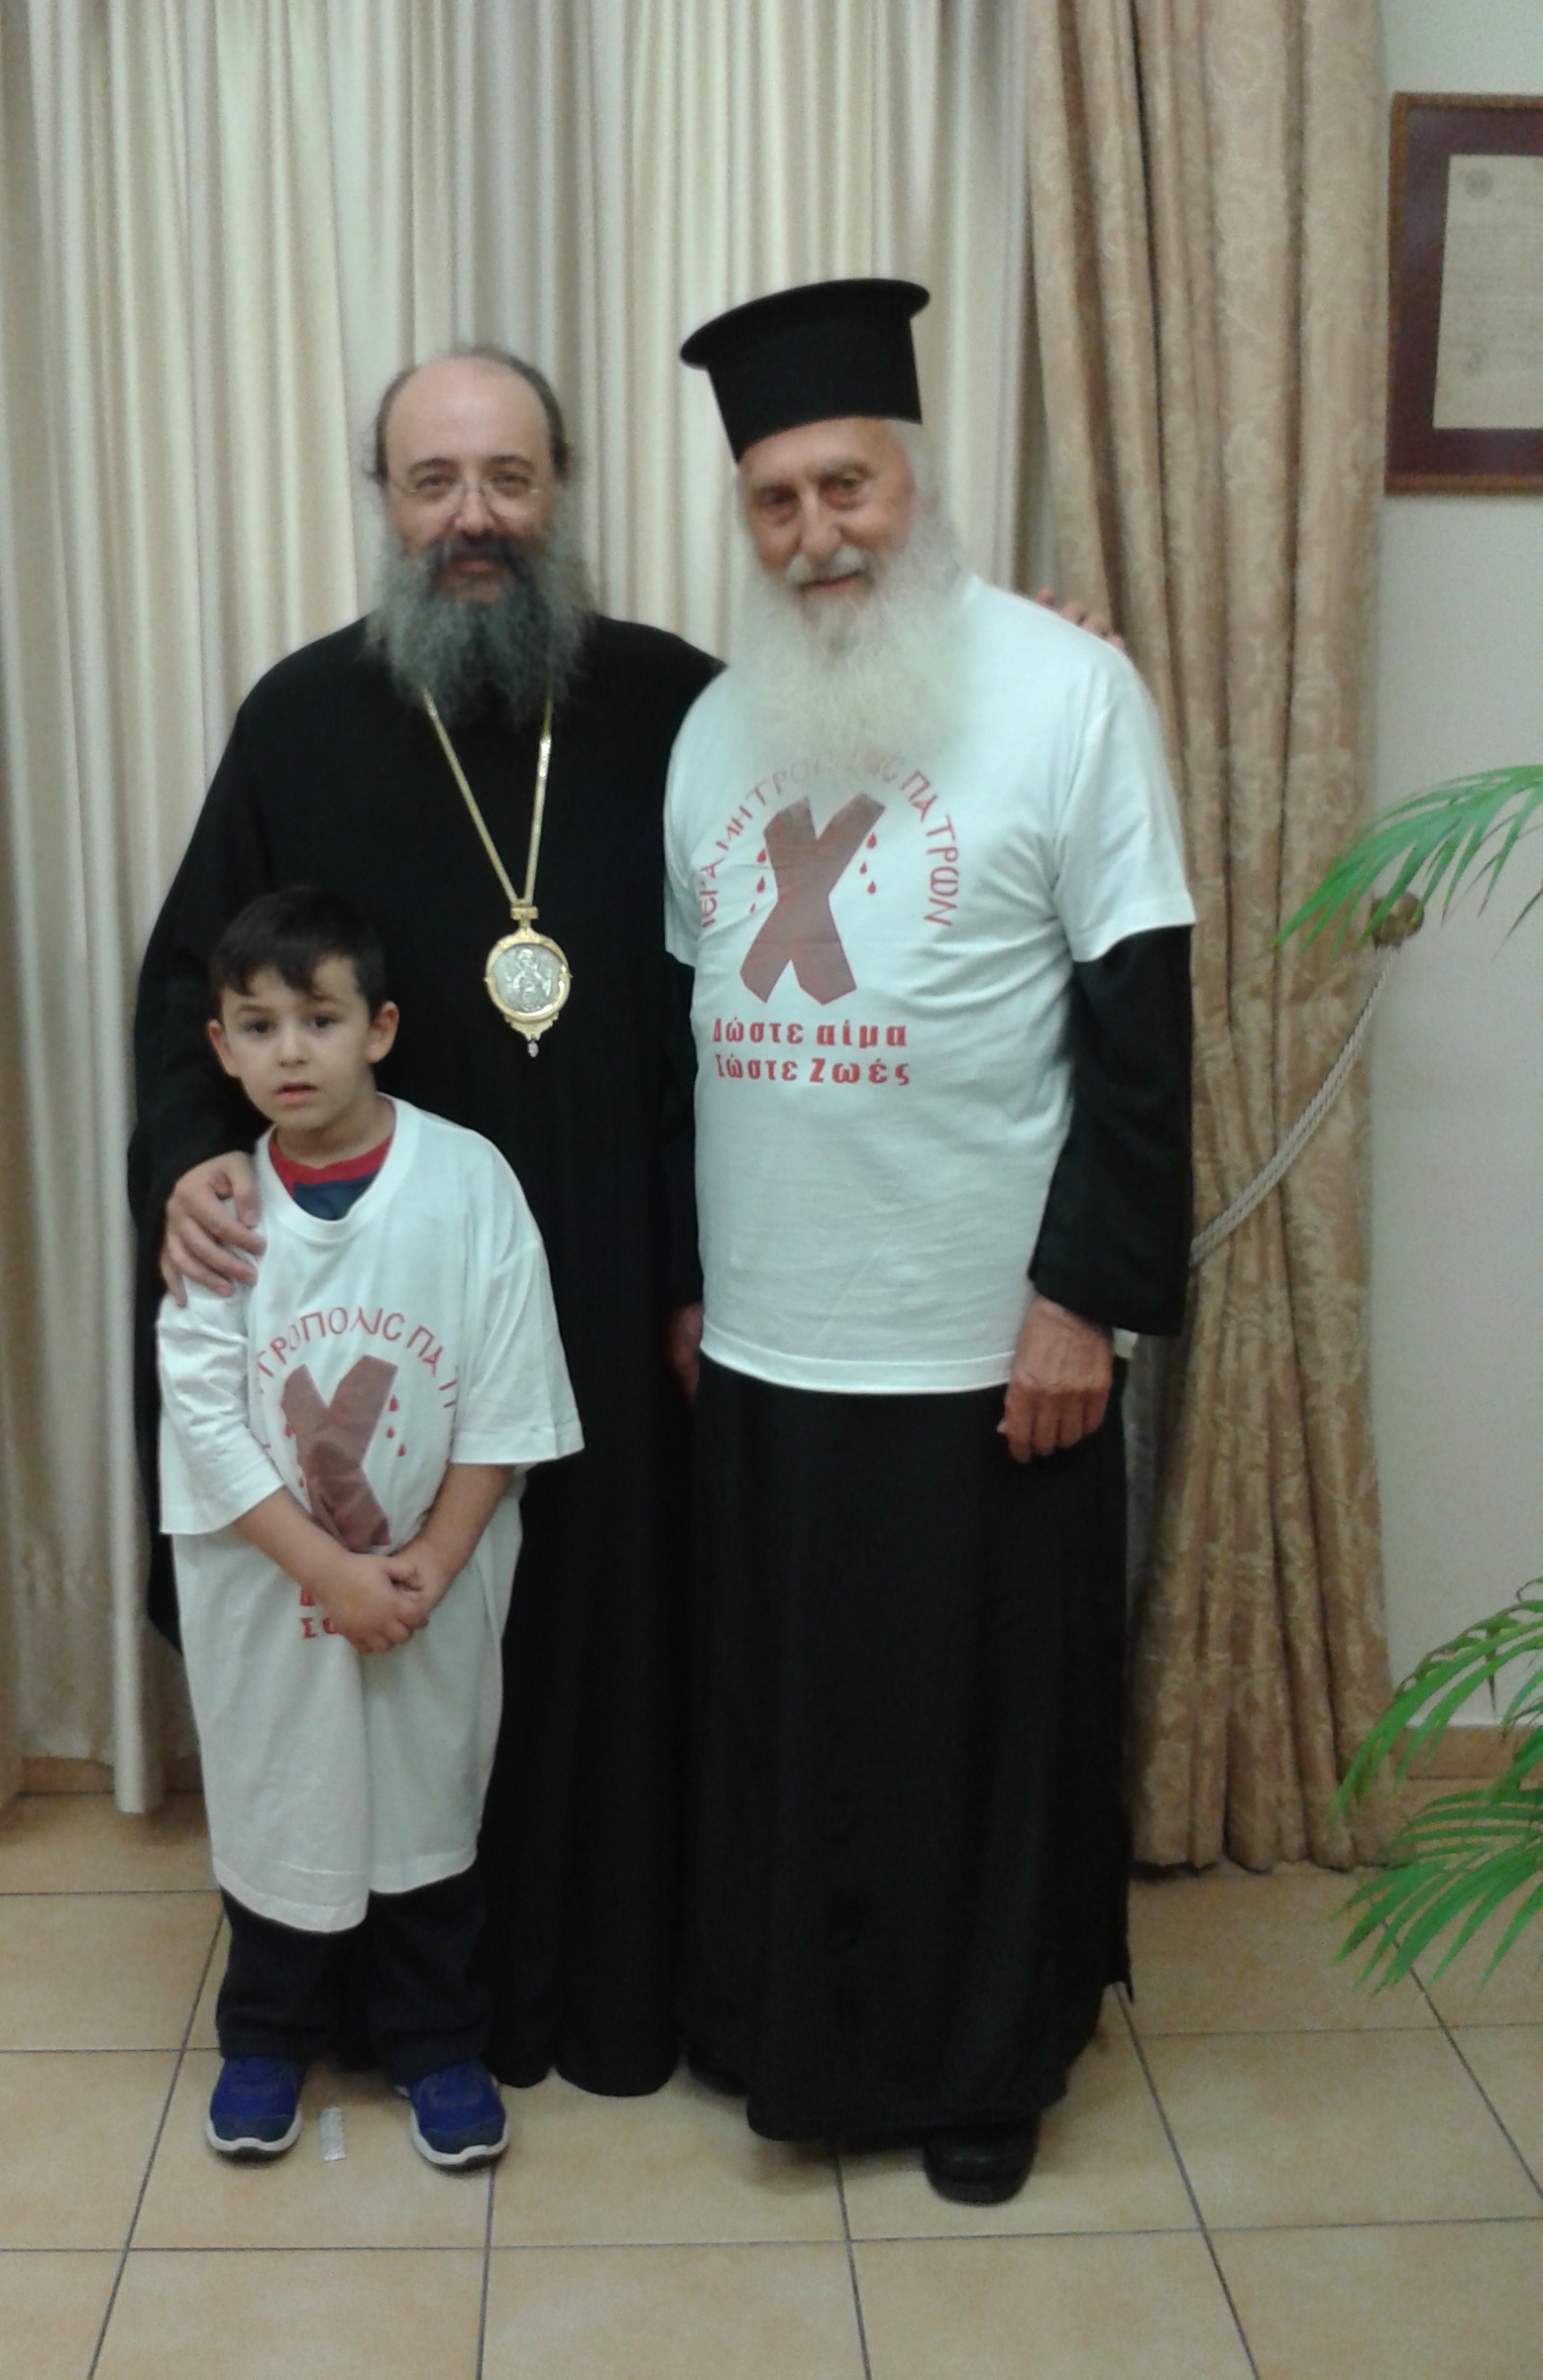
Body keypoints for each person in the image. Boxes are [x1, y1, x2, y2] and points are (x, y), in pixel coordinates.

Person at [131, 348, 719, 2097]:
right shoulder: (300, 717)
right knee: (373, 1645)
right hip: (366, 1280)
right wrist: (187, 1163)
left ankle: (591, 1982)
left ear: (562, 490)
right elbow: (191, 983)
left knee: (587, 1628)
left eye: (509, 479)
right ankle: (337, 1998)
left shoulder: (677, 702)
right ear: (383, 501)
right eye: (434, 481)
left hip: (618, 1263)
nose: (475, 517)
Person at [666, 279, 1195, 2204]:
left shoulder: (1069, 692)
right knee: (802, 1715)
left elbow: (1144, 1027)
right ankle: (794, 2037)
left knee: (980, 1733)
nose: (817, 533)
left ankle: (985, 2064)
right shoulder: (715, 726)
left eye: (847, 485)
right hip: (774, 1334)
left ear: (915, 478)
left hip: (988, 1341)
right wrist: (689, 1287)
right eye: (776, 500)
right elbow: (678, 1024)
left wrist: (1084, 1303)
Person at [157, 887, 581, 2168]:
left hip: (430, 1584)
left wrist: (428, 1566)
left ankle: (437, 2041)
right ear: (220, 1047)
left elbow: (507, 1395)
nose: (291, 1052)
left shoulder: (467, 1182)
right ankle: (266, 2036)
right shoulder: (224, 1210)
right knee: (281, 1793)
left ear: (380, 1028)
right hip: (270, 1581)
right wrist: (326, 1573)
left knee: (426, 1799)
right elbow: (201, 1414)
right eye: (258, 1026)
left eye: (321, 1019)